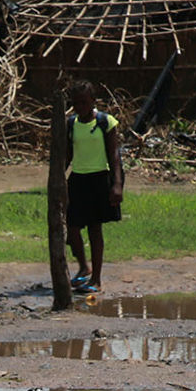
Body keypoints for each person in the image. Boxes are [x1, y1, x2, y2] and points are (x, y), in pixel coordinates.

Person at [65, 81, 125, 292]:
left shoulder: (105, 122)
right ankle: (83, 267)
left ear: (93, 101)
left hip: (99, 178)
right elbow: (67, 155)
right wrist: (57, 181)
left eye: (84, 102)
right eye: (75, 103)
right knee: (71, 228)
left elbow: (114, 155)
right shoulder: (71, 124)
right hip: (78, 179)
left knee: (94, 228)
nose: (80, 107)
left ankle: (96, 280)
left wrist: (117, 184)